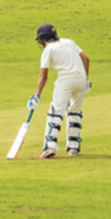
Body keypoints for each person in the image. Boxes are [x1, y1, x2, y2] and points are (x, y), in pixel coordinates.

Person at [29, 23, 91, 158]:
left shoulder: (48, 50)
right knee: (75, 112)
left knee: (55, 112)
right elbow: (86, 59)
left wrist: (37, 95)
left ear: (43, 39)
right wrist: (85, 79)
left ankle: (50, 147)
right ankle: (73, 148)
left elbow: (43, 76)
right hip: (80, 79)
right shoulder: (69, 42)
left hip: (65, 81)